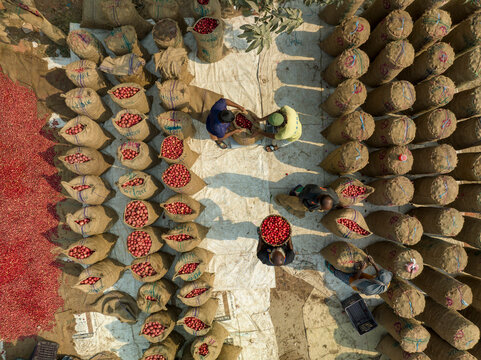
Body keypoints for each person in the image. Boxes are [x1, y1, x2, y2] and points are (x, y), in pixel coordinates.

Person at [325, 255, 392, 295]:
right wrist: (373, 262)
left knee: (339, 274)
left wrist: (362, 269)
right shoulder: (386, 282)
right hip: (363, 278)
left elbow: (355, 280)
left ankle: (331, 268)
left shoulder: (368, 288)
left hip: (353, 282)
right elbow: (380, 272)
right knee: (352, 267)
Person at [275, 184, 339, 219]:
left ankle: (297, 190)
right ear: (319, 198)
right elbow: (302, 194)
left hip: (310, 206)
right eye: (321, 207)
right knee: (281, 198)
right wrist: (299, 199)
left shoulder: (334, 198)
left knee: (301, 215)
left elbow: (335, 204)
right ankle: (295, 192)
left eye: (322, 209)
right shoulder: (312, 191)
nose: (321, 209)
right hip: (304, 201)